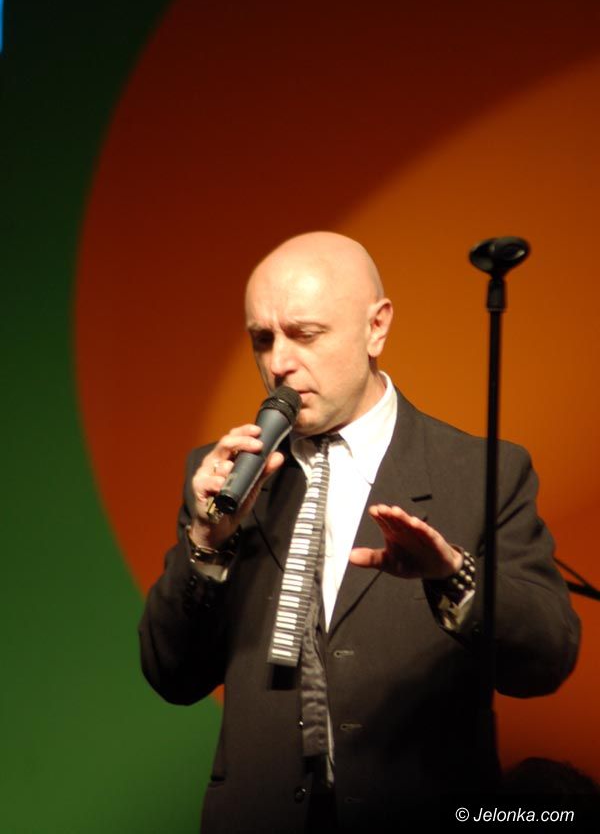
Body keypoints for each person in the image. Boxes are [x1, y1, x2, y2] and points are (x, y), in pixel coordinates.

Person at [139, 232, 580, 833]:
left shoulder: (481, 472)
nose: (278, 363)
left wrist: (454, 579)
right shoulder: (222, 478)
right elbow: (172, 675)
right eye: (263, 339)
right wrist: (206, 543)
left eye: (305, 334)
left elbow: (547, 660)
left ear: (376, 327)